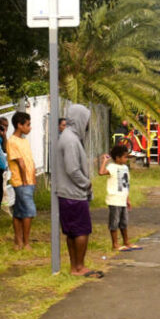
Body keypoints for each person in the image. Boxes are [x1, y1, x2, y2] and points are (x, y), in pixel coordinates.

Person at [56, 104, 101, 278]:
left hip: (68, 193)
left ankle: (75, 266)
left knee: (72, 232)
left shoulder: (69, 137)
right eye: (87, 119)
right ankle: (79, 266)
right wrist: (87, 184)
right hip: (73, 193)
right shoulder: (71, 140)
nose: (88, 124)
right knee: (81, 231)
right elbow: (73, 169)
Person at [99, 145, 139, 251]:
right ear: (117, 158)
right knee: (114, 222)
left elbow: (126, 184)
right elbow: (101, 172)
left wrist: (128, 199)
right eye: (125, 157)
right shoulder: (112, 167)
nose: (126, 159)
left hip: (123, 199)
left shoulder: (125, 168)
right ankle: (115, 244)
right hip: (114, 199)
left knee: (124, 222)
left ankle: (126, 241)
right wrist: (104, 161)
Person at [7, 112, 36, 251]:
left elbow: (29, 161)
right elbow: (20, 162)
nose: (30, 128)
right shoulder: (12, 141)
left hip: (29, 181)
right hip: (21, 182)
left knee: (19, 211)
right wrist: (25, 180)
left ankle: (17, 241)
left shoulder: (24, 141)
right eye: (28, 125)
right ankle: (25, 242)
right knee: (29, 211)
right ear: (19, 125)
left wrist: (33, 177)